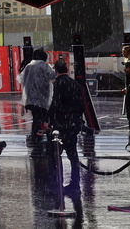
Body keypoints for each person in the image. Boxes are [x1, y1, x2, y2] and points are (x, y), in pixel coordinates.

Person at [49, 59, 86, 187]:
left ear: (56, 70)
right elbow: (82, 104)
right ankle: (75, 181)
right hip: (73, 123)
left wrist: (50, 119)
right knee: (72, 154)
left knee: (55, 154)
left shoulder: (58, 84)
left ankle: (56, 182)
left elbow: (56, 103)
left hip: (62, 123)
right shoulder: (74, 83)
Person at [21, 49, 54, 146]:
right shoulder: (45, 66)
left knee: (35, 117)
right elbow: (52, 76)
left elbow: (22, 79)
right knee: (45, 117)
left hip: (31, 98)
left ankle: (35, 135)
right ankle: (48, 137)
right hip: (43, 98)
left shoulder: (28, 66)